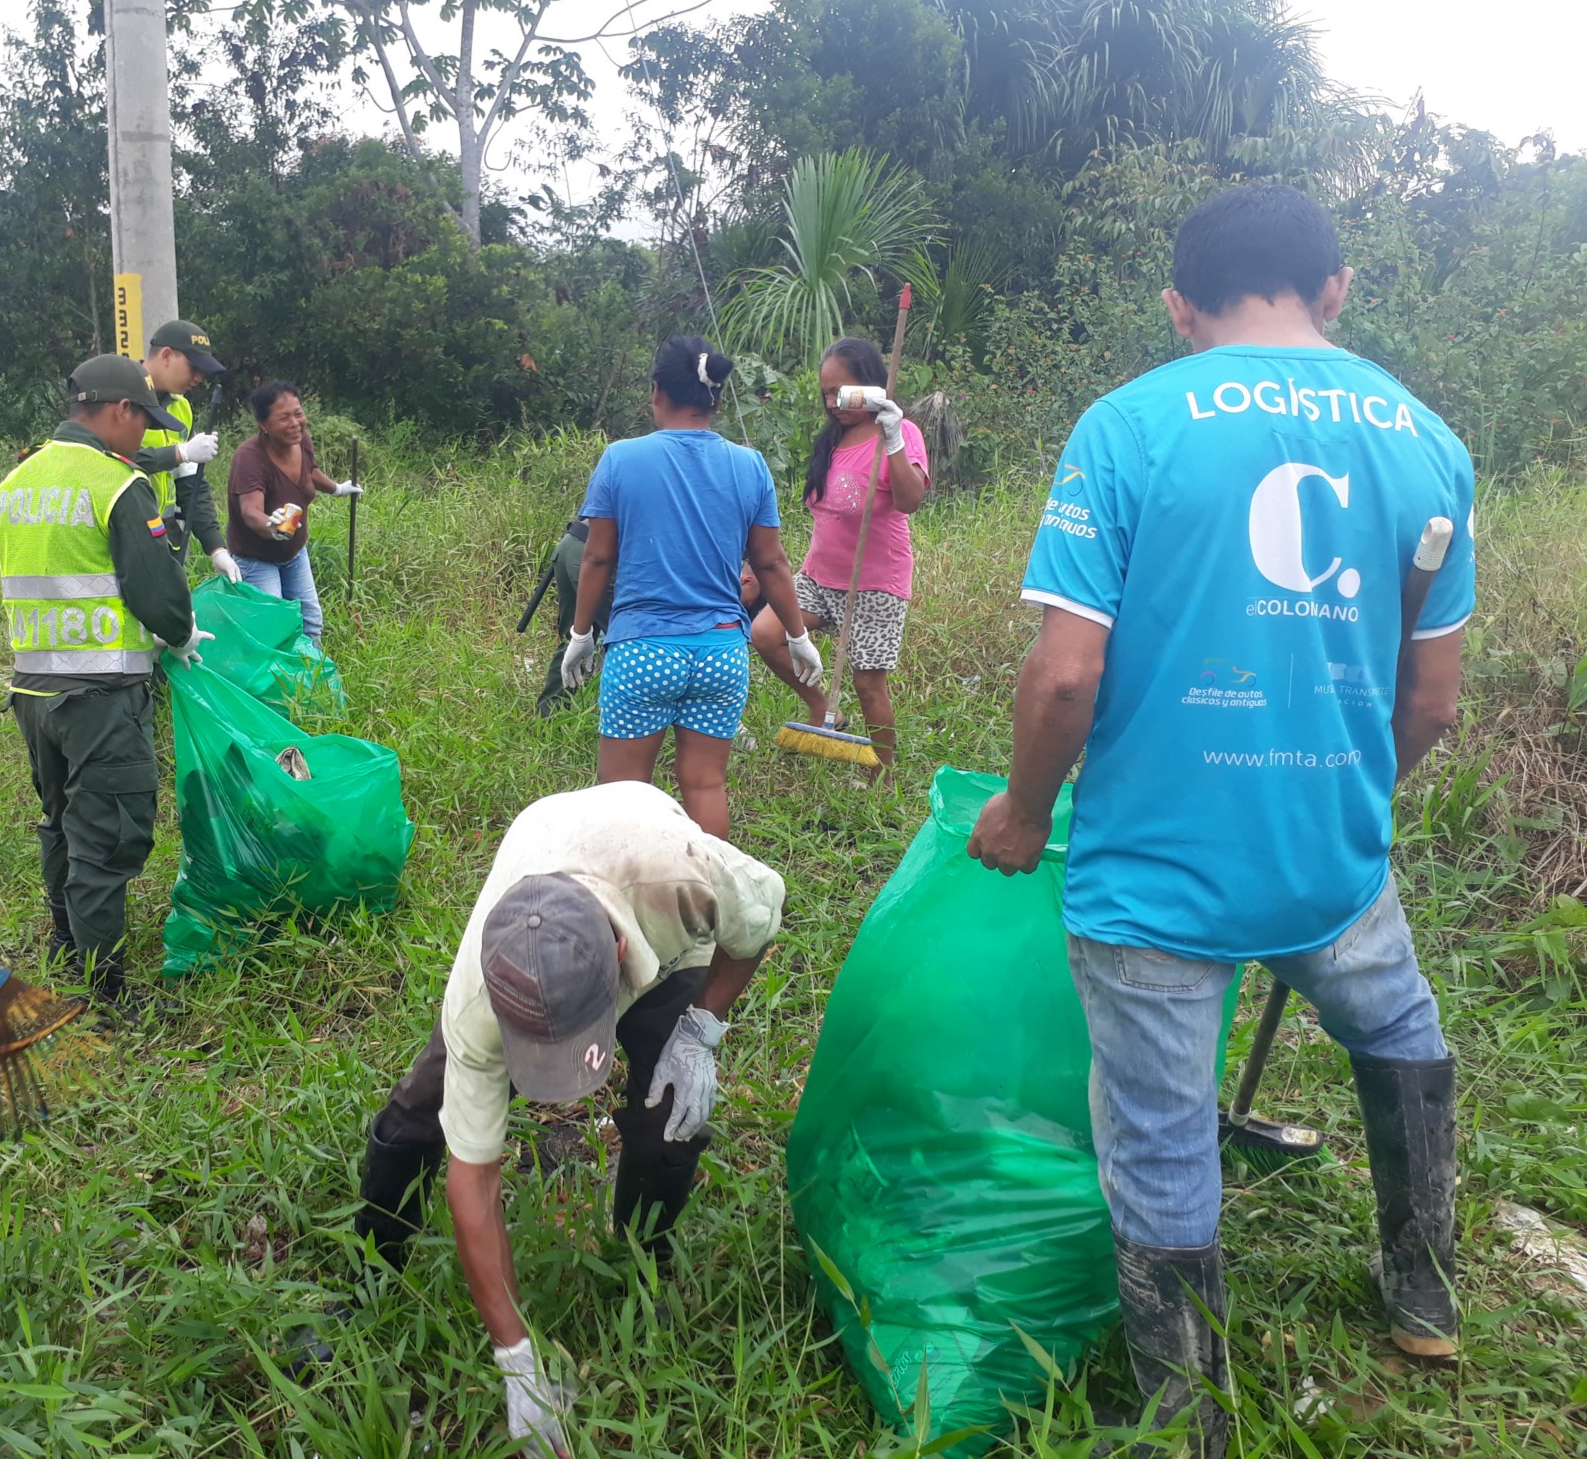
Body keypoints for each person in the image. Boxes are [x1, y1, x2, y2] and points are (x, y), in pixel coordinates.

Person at [967, 185, 1475, 1453]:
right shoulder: (1428, 443)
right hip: (1331, 863)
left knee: (1159, 1132)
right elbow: (1432, 698)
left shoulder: (1129, 426)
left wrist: (1026, 810)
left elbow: (1066, 674)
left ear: (1177, 304)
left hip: (1156, 872)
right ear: (1337, 289)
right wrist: (1345, 793)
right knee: (1401, 1030)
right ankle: (1425, 1290)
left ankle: (1185, 1415)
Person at [354, 781, 785, 1458]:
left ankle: (648, 1264)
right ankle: (372, 1260)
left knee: (671, 1119)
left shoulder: (689, 877)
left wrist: (701, 1027)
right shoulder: (480, 999)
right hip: (546, 844)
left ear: (618, 960)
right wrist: (517, 1364)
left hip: (648, 892)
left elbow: (760, 920)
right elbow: (476, 1182)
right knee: (420, 1110)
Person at [0, 354, 204, 1014]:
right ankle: (105, 994)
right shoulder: (115, 483)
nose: (146, 437)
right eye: (145, 421)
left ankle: (65, 942)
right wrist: (182, 630)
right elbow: (157, 595)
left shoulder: (15, 483)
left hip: (34, 691)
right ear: (120, 411)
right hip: (100, 695)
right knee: (107, 837)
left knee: (60, 823)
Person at [560, 336, 823, 839]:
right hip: (723, 651)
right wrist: (796, 635)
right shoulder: (750, 465)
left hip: (643, 650)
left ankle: (631, 908)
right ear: (717, 401)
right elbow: (770, 562)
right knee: (705, 786)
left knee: (623, 793)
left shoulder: (621, 458)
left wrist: (580, 634)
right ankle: (710, 904)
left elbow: (596, 555)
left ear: (656, 392)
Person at [752, 337, 930, 775]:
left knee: (868, 684)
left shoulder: (902, 433)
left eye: (841, 392)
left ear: (870, 386)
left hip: (875, 584)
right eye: (826, 392)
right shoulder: (832, 437)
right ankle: (822, 707)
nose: (832, 402)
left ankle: (880, 776)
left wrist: (892, 440)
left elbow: (910, 501)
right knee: (766, 633)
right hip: (819, 577)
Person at [225, 380, 359, 643]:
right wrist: (270, 527)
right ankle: (273, 681)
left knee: (310, 621)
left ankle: (312, 680)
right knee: (272, 627)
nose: (296, 423)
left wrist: (337, 489)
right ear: (264, 424)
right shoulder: (250, 457)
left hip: (294, 553)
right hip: (255, 558)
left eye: (298, 413)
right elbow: (250, 512)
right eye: (284, 418)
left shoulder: (302, 441)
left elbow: (310, 472)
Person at [137, 319, 242, 580]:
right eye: (194, 367)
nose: (199, 378)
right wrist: (179, 453)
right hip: (128, 537)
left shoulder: (182, 408)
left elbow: (190, 483)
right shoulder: (122, 398)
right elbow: (109, 461)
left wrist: (216, 548)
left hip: (165, 538)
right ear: (166, 355)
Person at [534, 514, 614, 718]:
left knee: (577, 636)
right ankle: (622, 726)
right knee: (632, 641)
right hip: (595, 555)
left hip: (570, 545)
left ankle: (548, 718)